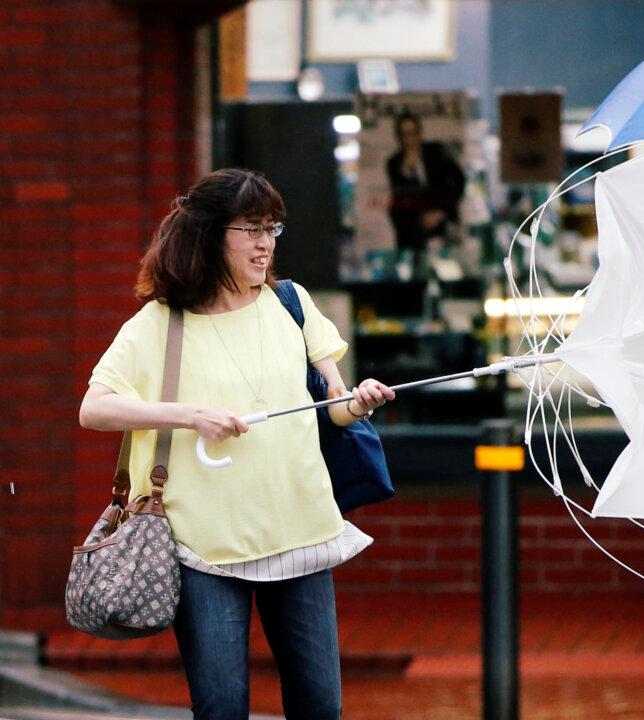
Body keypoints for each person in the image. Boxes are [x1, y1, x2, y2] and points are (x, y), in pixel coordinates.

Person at [79, 168, 395, 720]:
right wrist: (190, 416)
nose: (265, 243)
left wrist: (361, 402)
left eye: (272, 228)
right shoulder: (161, 323)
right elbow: (94, 408)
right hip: (205, 547)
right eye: (251, 229)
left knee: (320, 706)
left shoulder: (292, 304)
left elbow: (336, 404)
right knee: (222, 707)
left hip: (299, 530)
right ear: (209, 234)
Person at [385, 112, 465, 260]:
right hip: (412, 232)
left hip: (442, 226)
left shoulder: (436, 152)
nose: (409, 139)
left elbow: (458, 181)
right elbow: (401, 195)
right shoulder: (394, 163)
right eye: (404, 134)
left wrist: (442, 212)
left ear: (420, 134)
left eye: (412, 133)